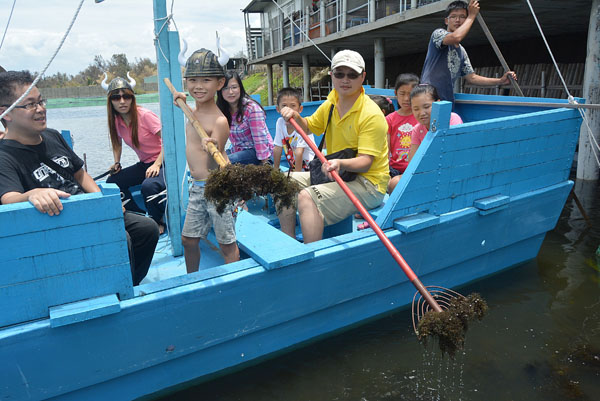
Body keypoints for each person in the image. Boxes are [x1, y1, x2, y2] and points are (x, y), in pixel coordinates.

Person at [0, 70, 158, 286]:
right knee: (122, 240)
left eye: (41, 101)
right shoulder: (5, 156)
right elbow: (9, 198)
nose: (41, 109)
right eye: (30, 105)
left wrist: (104, 203)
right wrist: (33, 194)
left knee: (146, 229)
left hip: (86, 211)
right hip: (56, 226)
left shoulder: (52, 136)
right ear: (6, 113)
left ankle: (128, 284)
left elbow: (80, 174)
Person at [278, 50, 389, 243]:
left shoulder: (371, 114)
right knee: (282, 181)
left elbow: (365, 163)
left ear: (362, 77)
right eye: (339, 74)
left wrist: (339, 162)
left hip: (369, 184)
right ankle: (290, 244)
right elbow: (311, 125)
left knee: (307, 197)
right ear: (332, 75)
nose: (345, 80)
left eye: (352, 75)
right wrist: (295, 116)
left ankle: (312, 254)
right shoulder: (331, 102)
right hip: (340, 175)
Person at [175, 49, 240, 273]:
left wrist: (212, 147)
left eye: (206, 80)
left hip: (217, 188)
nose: (198, 86)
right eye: (192, 80)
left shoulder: (220, 121)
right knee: (188, 240)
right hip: (196, 188)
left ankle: (235, 281)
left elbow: (216, 166)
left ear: (220, 83)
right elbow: (187, 105)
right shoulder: (192, 112)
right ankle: (191, 279)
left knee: (226, 242)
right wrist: (180, 100)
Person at [102, 74, 167, 234]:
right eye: (117, 98)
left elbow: (169, 140)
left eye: (127, 97)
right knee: (112, 182)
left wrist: (157, 164)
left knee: (149, 185)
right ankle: (138, 215)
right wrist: (116, 162)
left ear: (132, 98)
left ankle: (157, 222)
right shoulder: (116, 121)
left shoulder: (144, 116)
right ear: (111, 101)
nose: (122, 101)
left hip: (164, 162)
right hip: (145, 164)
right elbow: (117, 143)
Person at [421, 0, 517, 104]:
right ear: (446, 21)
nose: (457, 20)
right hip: (427, 98)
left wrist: (500, 81)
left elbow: (472, 77)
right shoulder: (438, 34)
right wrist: (472, 16)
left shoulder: (461, 51)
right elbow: (456, 37)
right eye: (453, 16)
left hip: (446, 101)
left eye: (462, 17)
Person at [216, 71, 273, 165]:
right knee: (214, 161)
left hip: (257, 152)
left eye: (234, 87)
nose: (230, 92)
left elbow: (260, 140)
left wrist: (266, 164)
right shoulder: (222, 110)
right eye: (225, 88)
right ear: (220, 91)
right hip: (237, 150)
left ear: (240, 88)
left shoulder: (252, 109)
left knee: (225, 163)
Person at [407, 84, 463, 163]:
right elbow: (412, 162)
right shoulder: (417, 130)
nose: (422, 113)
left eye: (426, 107)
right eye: (416, 109)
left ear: (438, 103)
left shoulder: (452, 119)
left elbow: (453, 151)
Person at [386, 73, 420, 194]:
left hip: (415, 169)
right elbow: (386, 150)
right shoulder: (390, 119)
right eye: (402, 93)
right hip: (394, 169)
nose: (406, 99)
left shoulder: (421, 118)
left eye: (410, 94)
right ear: (395, 93)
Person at [273, 87, 315, 172]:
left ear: (300, 109)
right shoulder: (280, 122)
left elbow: (299, 153)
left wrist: (297, 177)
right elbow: (278, 148)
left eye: (293, 106)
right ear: (278, 109)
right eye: (284, 106)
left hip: (311, 168)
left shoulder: (303, 125)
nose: (288, 110)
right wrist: (275, 170)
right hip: (294, 167)